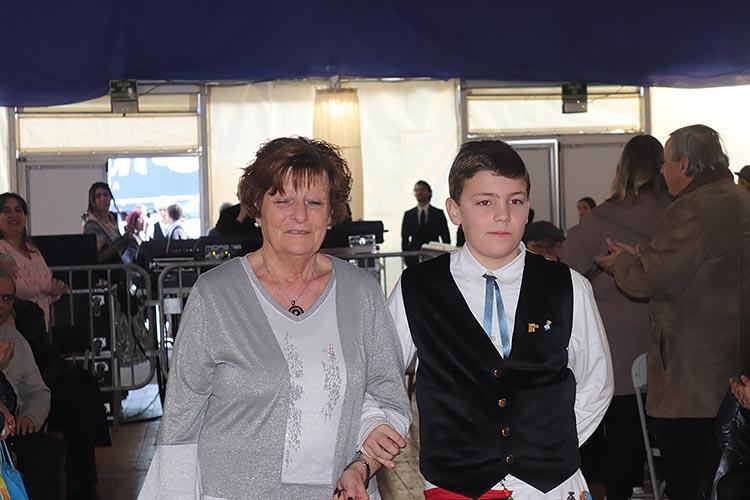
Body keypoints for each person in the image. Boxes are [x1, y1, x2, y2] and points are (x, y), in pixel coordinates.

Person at [139, 137, 411, 500]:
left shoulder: (361, 293)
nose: (300, 215)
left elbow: (389, 399)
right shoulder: (215, 295)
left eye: (314, 202)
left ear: (331, 214)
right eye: (283, 201)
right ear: (256, 209)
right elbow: (180, 422)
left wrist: (363, 465)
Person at [366, 140, 613, 499]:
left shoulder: (569, 286)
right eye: (485, 202)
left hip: (550, 485)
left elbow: (596, 380)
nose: (503, 215)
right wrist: (376, 424)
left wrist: (551, 444)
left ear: (528, 207)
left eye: (515, 201)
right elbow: (380, 374)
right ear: (454, 210)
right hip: (455, 484)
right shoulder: (417, 288)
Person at [596, 125, 750, 500]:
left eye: (665, 163)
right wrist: (642, 257)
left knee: (689, 482)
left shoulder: (692, 209)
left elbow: (652, 280)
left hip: (692, 377)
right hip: (732, 369)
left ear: (684, 164)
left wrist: (622, 265)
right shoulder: (739, 199)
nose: (661, 172)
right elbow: (698, 268)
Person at [559, 134, 672, 500]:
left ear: (622, 168)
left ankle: (613, 492)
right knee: (662, 439)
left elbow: (565, 275)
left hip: (612, 345)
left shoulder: (598, 221)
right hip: (668, 347)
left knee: (612, 434)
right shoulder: (678, 216)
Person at [0, 269, 65, 500]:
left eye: (7, 298)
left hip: (12, 428)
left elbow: (38, 391)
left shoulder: (13, 337)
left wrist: (30, 417)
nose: (1, 304)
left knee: (48, 449)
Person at [0, 192, 68, 329]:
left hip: (40, 325)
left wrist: (57, 290)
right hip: (15, 324)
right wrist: (48, 287)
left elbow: (45, 283)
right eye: (6, 211)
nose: (14, 215)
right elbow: (14, 287)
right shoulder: (2, 249)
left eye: (18, 210)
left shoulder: (33, 249)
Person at [401, 180, 451, 266]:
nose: (419, 193)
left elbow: (445, 237)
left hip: (434, 256)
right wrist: (407, 257)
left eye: (422, 190)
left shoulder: (438, 213)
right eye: (416, 190)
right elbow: (404, 238)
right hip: (414, 259)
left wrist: (444, 257)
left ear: (429, 192)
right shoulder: (408, 215)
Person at [82, 182, 135, 264]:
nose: (103, 198)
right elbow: (98, 257)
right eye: (98, 196)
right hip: (105, 269)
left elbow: (119, 252)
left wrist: (127, 238)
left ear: (110, 198)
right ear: (93, 201)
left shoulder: (112, 218)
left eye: (106, 195)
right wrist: (123, 239)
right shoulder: (92, 225)